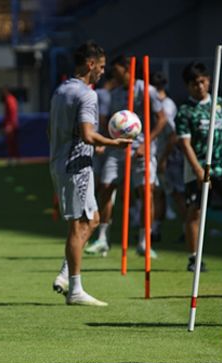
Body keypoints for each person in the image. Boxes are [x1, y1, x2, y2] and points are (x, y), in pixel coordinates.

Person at [49, 41, 132, 306]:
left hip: (64, 161)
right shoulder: (87, 94)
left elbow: (53, 131)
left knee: (93, 219)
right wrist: (112, 143)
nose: (103, 72)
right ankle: (75, 289)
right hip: (75, 165)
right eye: (102, 66)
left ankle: (65, 274)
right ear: (90, 64)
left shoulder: (60, 90)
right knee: (78, 224)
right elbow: (87, 133)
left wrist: (86, 143)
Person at [85, 55, 167, 258]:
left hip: (141, 150)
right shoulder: (115, 93)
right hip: (116, 150)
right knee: (105, 186)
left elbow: (161, 119)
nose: (113, 73)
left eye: (117, 69)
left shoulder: (146, 90)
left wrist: (146, 144)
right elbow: (112, 123)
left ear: (128, 69)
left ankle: (144, 241)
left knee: (145, 192)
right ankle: (103, 238)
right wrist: (104, 141)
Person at [176, 62, 222, 271]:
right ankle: (194, 257)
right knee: (195, 212)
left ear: (209, 81)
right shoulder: (185, 111)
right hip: (197, 166)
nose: (200, 86)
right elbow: (184, 144)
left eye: (203, 81)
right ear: (188, 86)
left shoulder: (220, 104)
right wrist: (197, 170)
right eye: (195, 83)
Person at [151, 71, 185, 242]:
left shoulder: (167, 105)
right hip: (158, 156)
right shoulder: (155, 103)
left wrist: (164, 158)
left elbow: (173, 135)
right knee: (158, 193)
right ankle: (155, 230)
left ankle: (188, 229)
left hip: (170, 157)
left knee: (177, 194)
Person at [0, 86, 20, 166]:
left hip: (11, 125)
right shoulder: (10, 99)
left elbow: (12, 112)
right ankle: (14, 160)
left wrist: (10, 125)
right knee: (12, 144)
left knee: (12, 143)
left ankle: (13, 160)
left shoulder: (10, 99)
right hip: (12, 124)